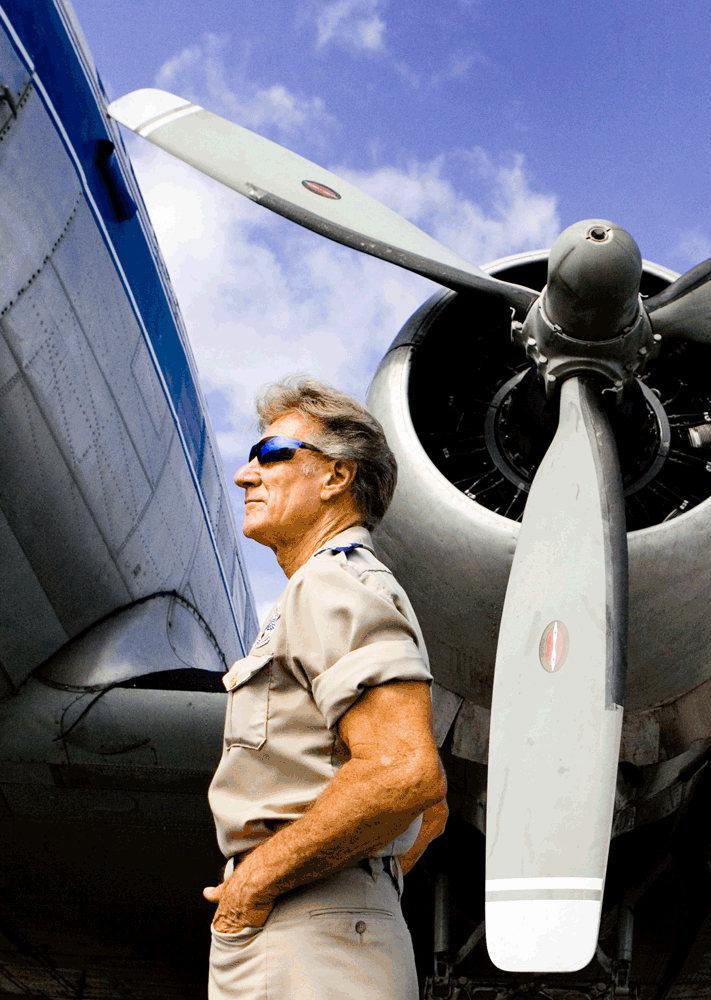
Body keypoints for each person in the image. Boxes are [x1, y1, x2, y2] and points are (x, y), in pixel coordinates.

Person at [205, 377, 447, 1000]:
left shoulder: (332, 584)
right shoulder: (316, 592)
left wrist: (255, 884)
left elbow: (403, 774)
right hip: (320, 923)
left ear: (335, 477)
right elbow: (431, 813)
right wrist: (370, 879)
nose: (244, 475)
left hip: (304, 929)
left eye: (270, 454)